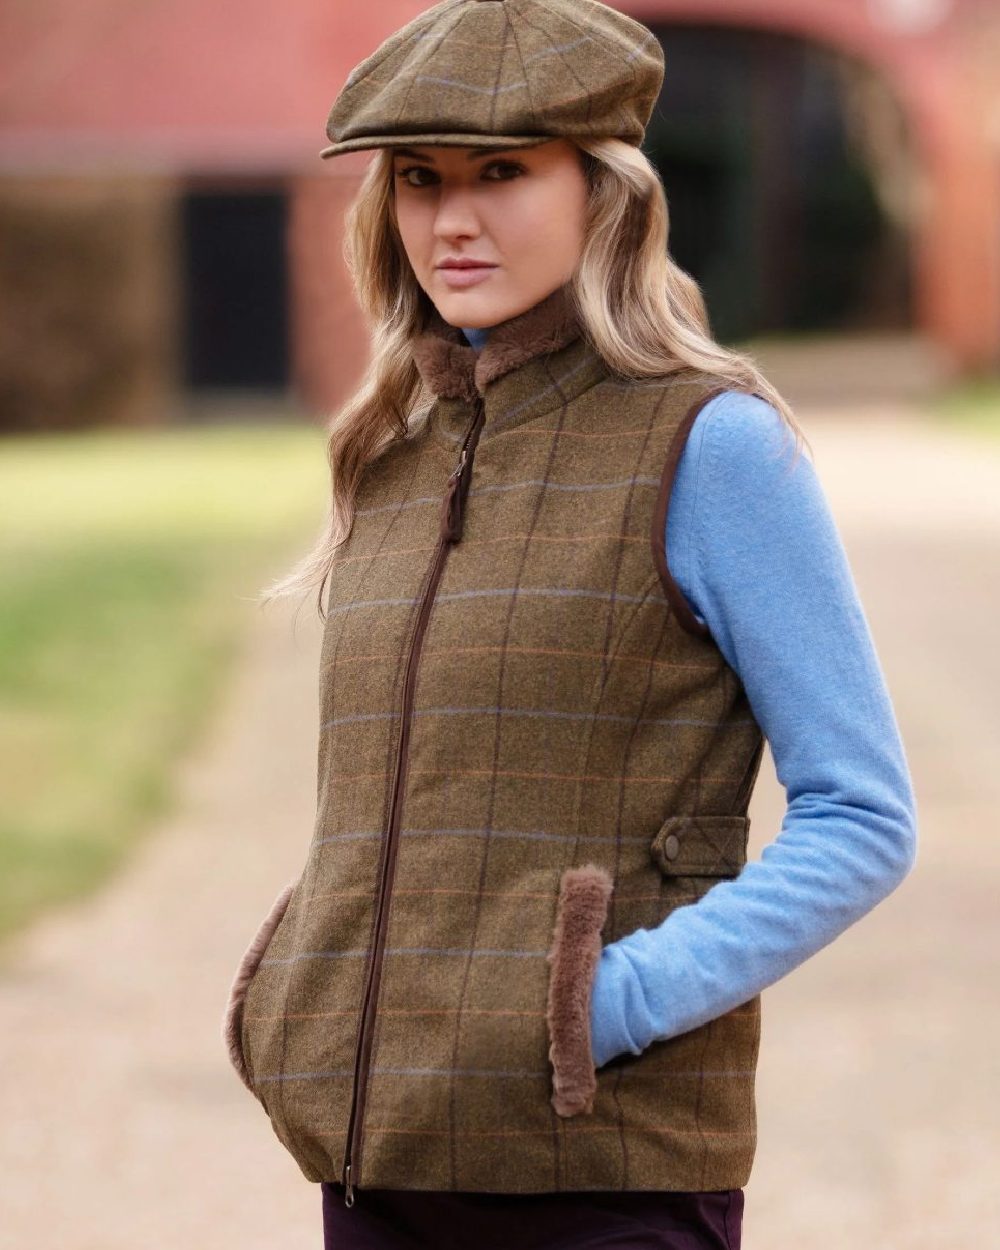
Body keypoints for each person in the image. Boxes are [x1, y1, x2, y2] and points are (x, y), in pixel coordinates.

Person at [221, 2, 918, 1247]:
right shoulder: (391, 448)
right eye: (420, 179)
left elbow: (862, 815)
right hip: (373, 1165)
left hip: (601, 1172)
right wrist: (305, 984)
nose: (452, 219)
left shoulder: (712, 446)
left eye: (502, 172)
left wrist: (600, 1001)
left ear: (604, 191)